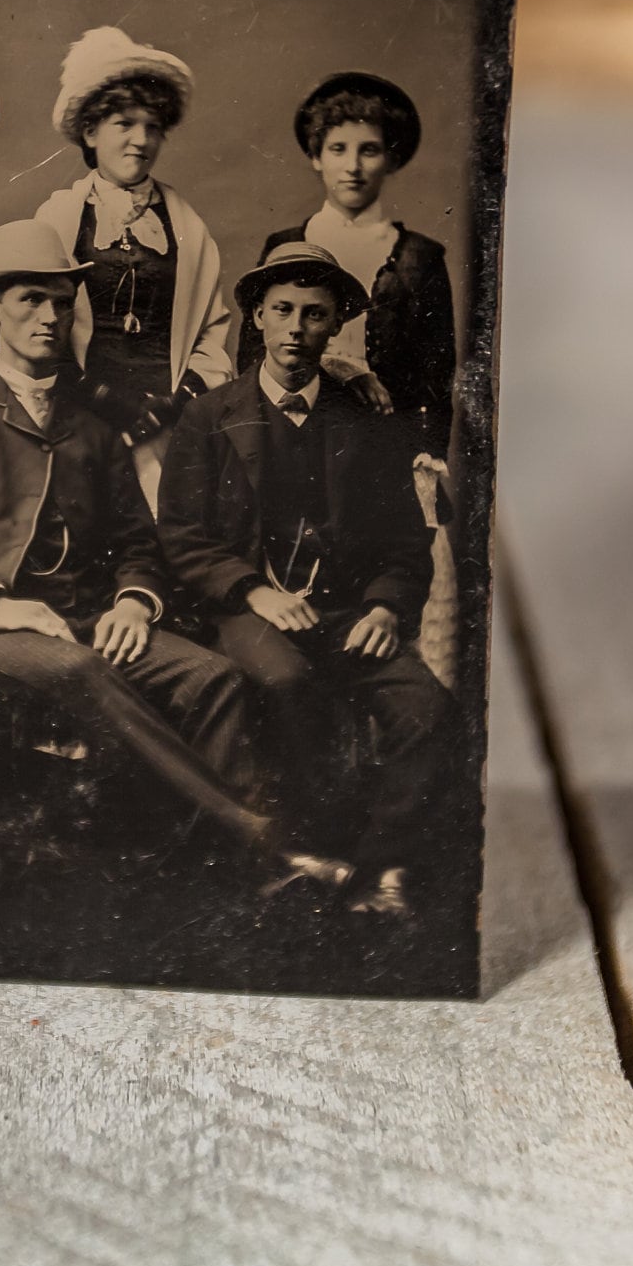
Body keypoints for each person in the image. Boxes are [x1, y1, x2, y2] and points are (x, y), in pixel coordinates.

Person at [0, 222, 355, 892]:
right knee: (78, 667)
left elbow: (137, 543)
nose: (49, 317)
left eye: (61, 303)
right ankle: (261, 841)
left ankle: (219, 863)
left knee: (210, 675)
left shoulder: (92, 428)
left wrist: (133, 599)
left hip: (83, 619)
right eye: (29, 301)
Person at [157, 242, 452, 915]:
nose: (296, 329)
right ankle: (306, 853)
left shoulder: (365, 426)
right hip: (248, 610)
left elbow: (407, 543)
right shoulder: (208, 418)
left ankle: (381, 871)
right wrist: (251, 590)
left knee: (428, 710)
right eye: (282, 311)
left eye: (315, 315)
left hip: (347, 611)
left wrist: (383, 608)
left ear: (335, 326)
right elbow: (182, 536)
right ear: (256, 318)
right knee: (287, 683)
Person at [31, 26, 235, 510]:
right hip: (81, 413)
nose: (141, 140)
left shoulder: (187, 226)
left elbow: (211, 333)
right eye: (124, 123)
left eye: (153, 126)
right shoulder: (57, 219)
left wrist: (174, 404)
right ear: (90, 131)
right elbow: (35, 328)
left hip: (168, 420)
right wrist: (105, 402)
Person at [244, 72, 459, 465]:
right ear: (316, 156)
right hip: (292, 433)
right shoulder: (284, 245)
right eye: (338, 149)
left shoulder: (419, 257)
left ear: (391, 159)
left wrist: (427, 456)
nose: (353, 166)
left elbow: (436, 377)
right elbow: (253, 355)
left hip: (384, 444)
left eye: (370, 150)